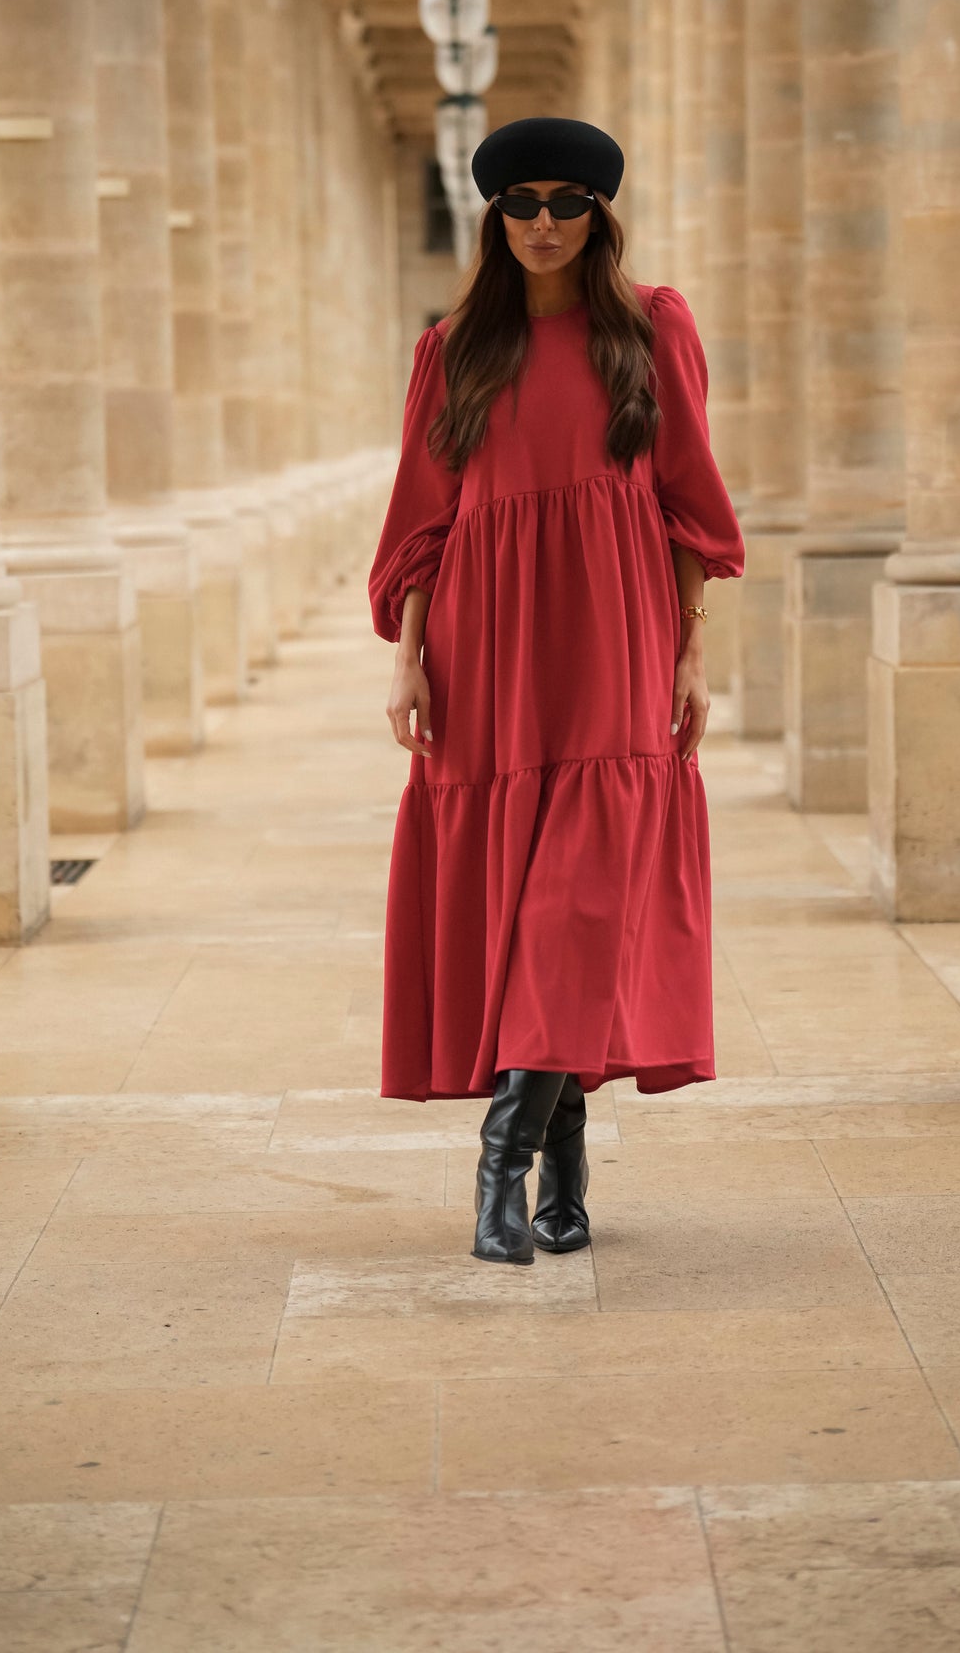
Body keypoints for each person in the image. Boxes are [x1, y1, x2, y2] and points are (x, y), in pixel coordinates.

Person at [368, 117, 744, 1265]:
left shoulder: (650, 327)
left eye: (564, 202)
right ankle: (562, 1164)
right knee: (515, 900)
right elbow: (423, 516)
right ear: (493, 217)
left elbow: (686, 496)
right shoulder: (453, 350)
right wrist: (408, 654)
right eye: (520, 203)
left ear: (597, 215)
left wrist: (684, 650)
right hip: (488, 643)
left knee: (579, 895)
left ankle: (504, 1161)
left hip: (616, 626)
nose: (540, 222)